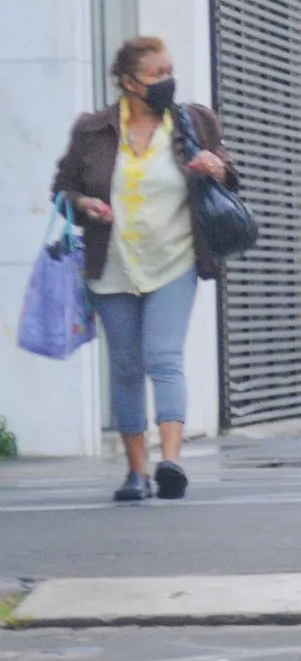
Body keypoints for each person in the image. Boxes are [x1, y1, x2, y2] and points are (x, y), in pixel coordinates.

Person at [52, 37, 235, 503]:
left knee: (163, 358)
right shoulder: (93, 129)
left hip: (175, 259)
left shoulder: (193, 121)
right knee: (127, 366)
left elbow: (231, 175)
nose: (167, 80)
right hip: (111, 264)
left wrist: (216, 167)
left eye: (169, 70)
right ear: (130, 81)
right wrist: (85, 203)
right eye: (157, 73)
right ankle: (136, 472)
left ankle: (170, 461)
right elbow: (63, 188)